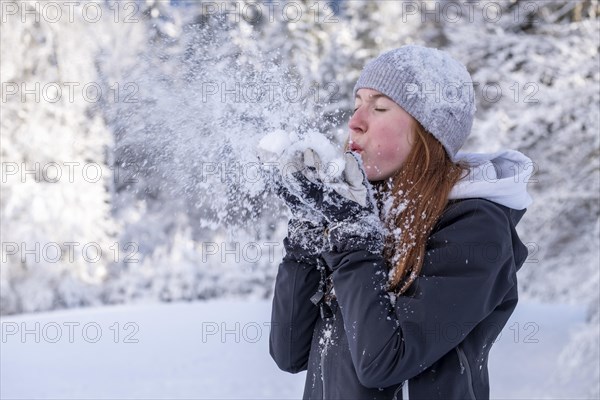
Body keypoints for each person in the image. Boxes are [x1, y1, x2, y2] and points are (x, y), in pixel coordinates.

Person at [269, 45, 533, 399]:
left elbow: (384, 363)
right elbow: (289, 352)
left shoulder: (474, 227)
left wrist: (352, 239)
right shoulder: (360, 214)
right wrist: (307, 233)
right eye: (356, 104)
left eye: (379, 107)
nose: (355, 122)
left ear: (429, 133)